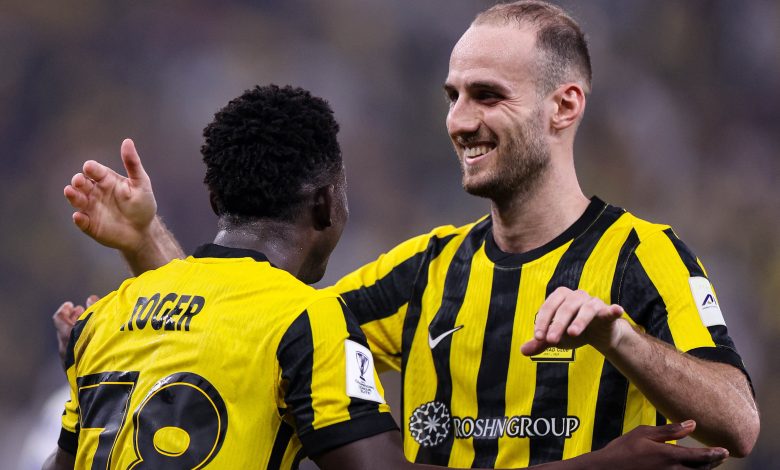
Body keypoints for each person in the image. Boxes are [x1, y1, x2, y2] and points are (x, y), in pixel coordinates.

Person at [59, 1, 759, 467]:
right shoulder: (423, 271)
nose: (459, 120)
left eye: (487, 95)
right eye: (453, 96)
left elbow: (739, 423)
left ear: (564, 106)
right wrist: (150, 246)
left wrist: (621, 339)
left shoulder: (643, 256)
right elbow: (253, 331)